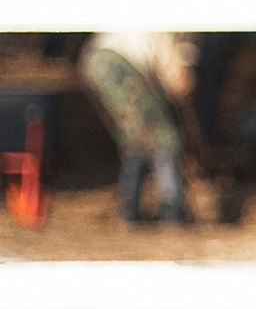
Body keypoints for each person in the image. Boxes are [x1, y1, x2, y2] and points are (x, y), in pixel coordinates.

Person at [80, 30, 194, 226]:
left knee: (137, 139)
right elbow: (177, 80)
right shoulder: (170, 29)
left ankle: (130, 213)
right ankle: (173, 213)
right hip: (119, 64)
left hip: (94, 61)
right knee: (165, 138)